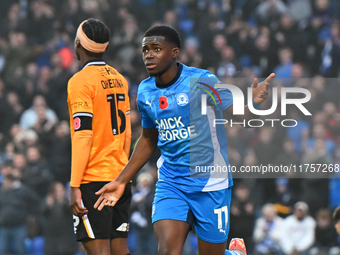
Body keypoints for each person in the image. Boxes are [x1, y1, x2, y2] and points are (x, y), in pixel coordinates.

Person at [94, 25, 274, 255]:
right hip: (172, 182)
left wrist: (255, 102)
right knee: (168, 251)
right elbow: (149, 139)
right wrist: (121, 181)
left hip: (210, 183)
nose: (148, 54)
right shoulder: (145, 91)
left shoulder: (202, 81)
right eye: (145, 49)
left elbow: (241, 115)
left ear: (175, 52)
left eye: (156, 49)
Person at [67, 18, 132, 255]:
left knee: (99, 250)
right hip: (120, 177)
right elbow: (127, 134)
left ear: (78, 44)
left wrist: (75, 185)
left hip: (93, 180)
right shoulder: (119, 79)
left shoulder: (80, 82)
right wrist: (124, 176)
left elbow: (83, 135)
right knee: (119, 249)